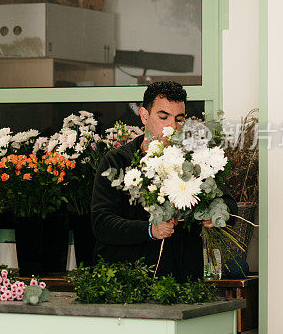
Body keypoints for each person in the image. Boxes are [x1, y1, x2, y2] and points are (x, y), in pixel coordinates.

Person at [90, 81, 237, 281]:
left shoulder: (194, 159)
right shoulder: (117, 161)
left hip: (183, 281)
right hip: (130, 281)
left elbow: (229, 204)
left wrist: (217, 214)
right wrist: (149, 230)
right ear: (144, 115)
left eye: (179, 119)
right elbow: (102, 223)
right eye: (163, 117)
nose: (172, 126)